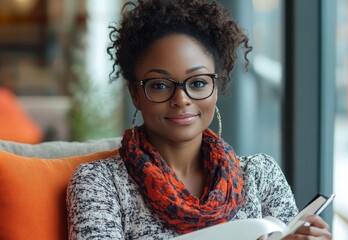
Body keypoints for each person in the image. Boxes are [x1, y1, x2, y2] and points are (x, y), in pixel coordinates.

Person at [66, 0, 332, 239]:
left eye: (198, 83)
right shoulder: (100, 183)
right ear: (136, 94)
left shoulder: (260, 175)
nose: (181, 99)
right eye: (159, 85)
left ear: (215, 89)